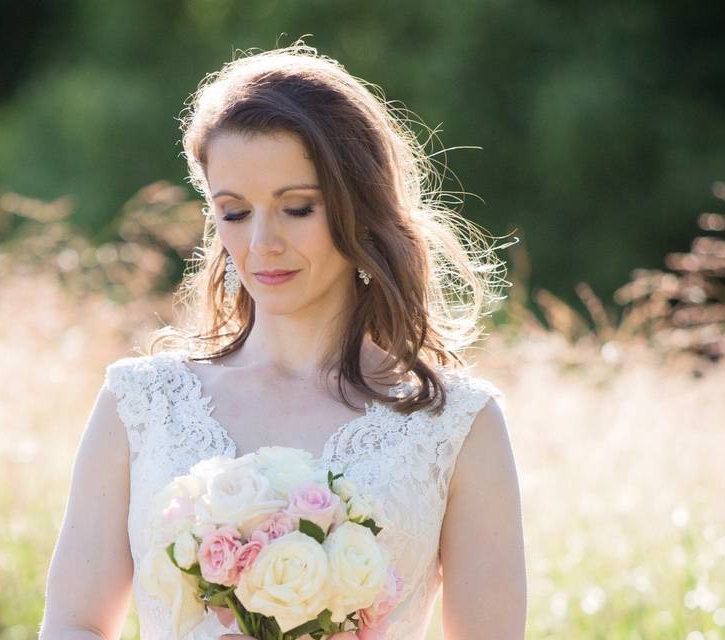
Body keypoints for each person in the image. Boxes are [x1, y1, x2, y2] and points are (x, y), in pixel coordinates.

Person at [38, 41, 526, 640]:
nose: (262, 242)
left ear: (361, 207)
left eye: (297, 208)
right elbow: (74, 624)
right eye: (235, 212)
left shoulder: (455, 424)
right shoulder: (141, 404)